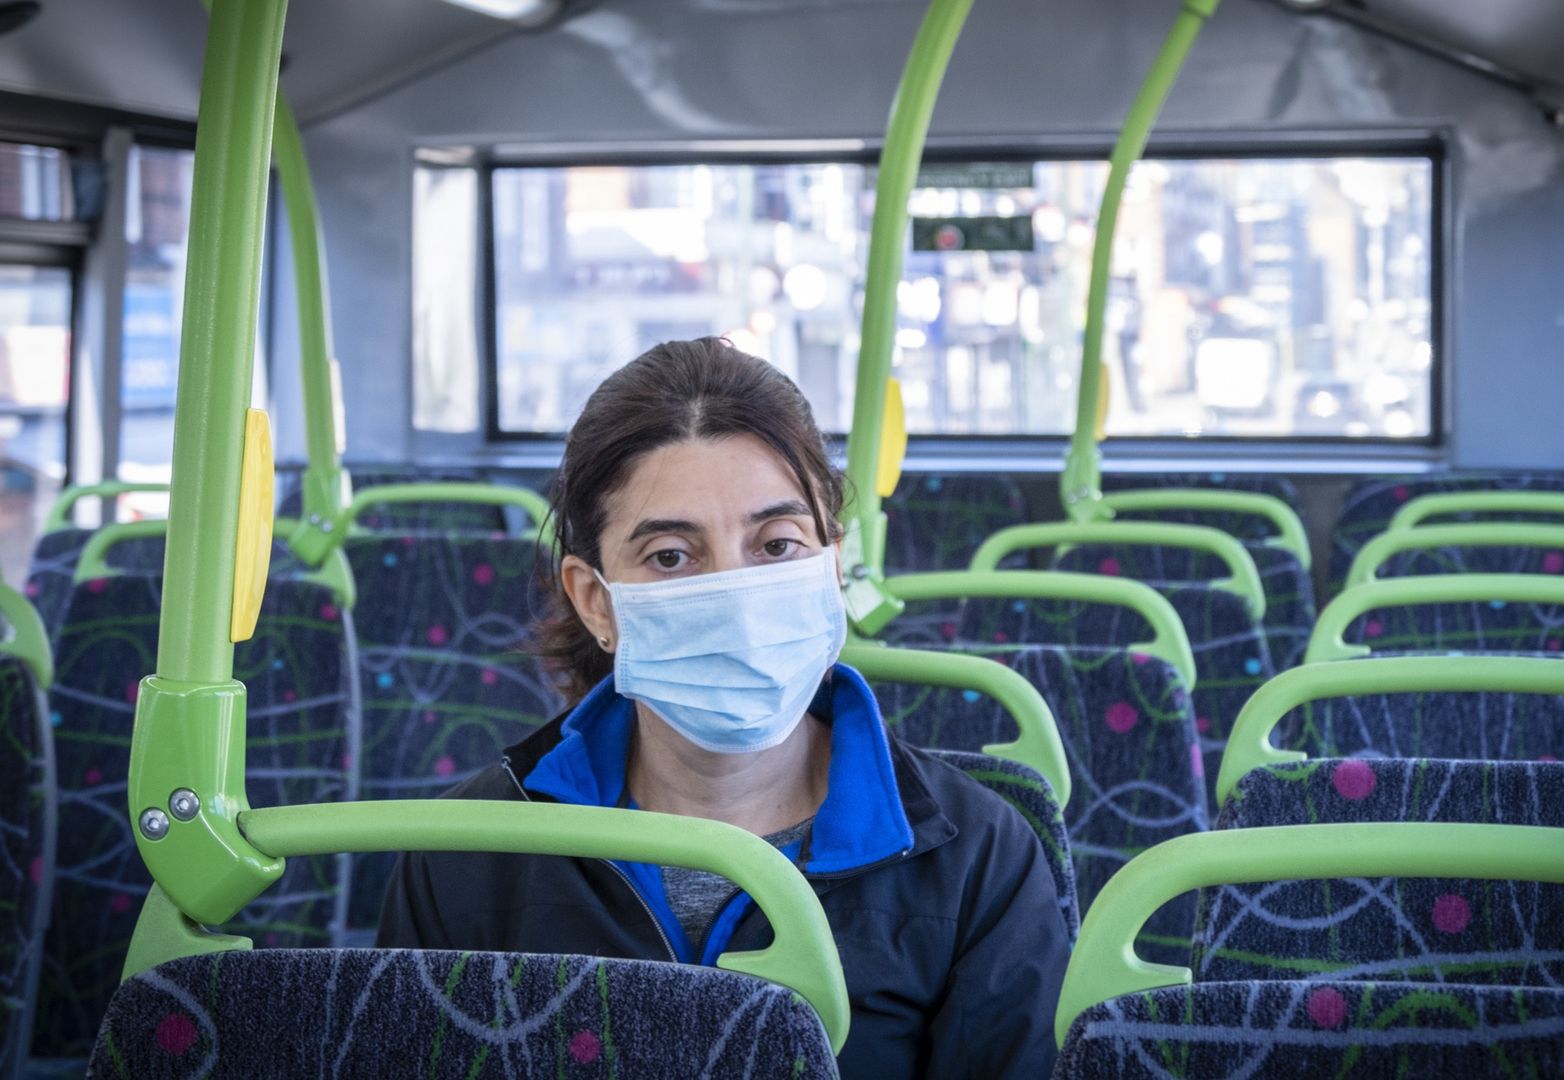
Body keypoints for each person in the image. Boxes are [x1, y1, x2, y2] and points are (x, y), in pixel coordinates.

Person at [377, 337, 1068, 1077]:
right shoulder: (471, 854)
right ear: (595, 601)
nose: (736, 600)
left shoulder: (976, 859)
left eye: (776, 545)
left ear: (830, 567)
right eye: (672, 555)